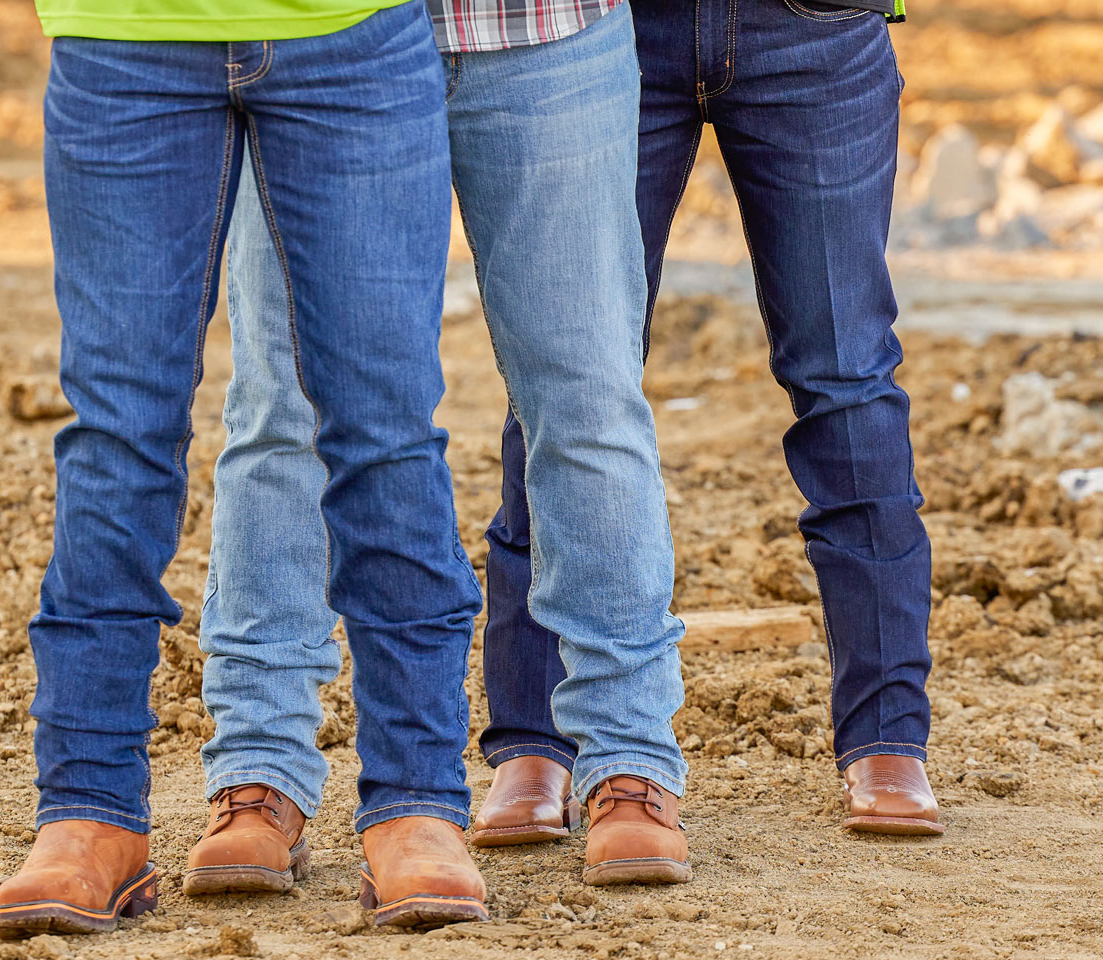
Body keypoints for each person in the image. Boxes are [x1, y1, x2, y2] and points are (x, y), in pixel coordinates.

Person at [0, 0, 490, 938]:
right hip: (125, 35)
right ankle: (88, 810)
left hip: (355, 30)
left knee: (384, 428)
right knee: (118, 432)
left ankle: (417, 802)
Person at [188, 0, 694, 907]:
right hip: (314, 37)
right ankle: (258, 770)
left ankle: (626, 758)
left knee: (586, 399)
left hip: (550, 36)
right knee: (282, 403)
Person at [475, 0, 948, 839]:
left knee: (846, 375)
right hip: (608, 22)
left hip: (816, 27)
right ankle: (533, 738)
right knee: (567, 373)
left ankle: (887, 736)